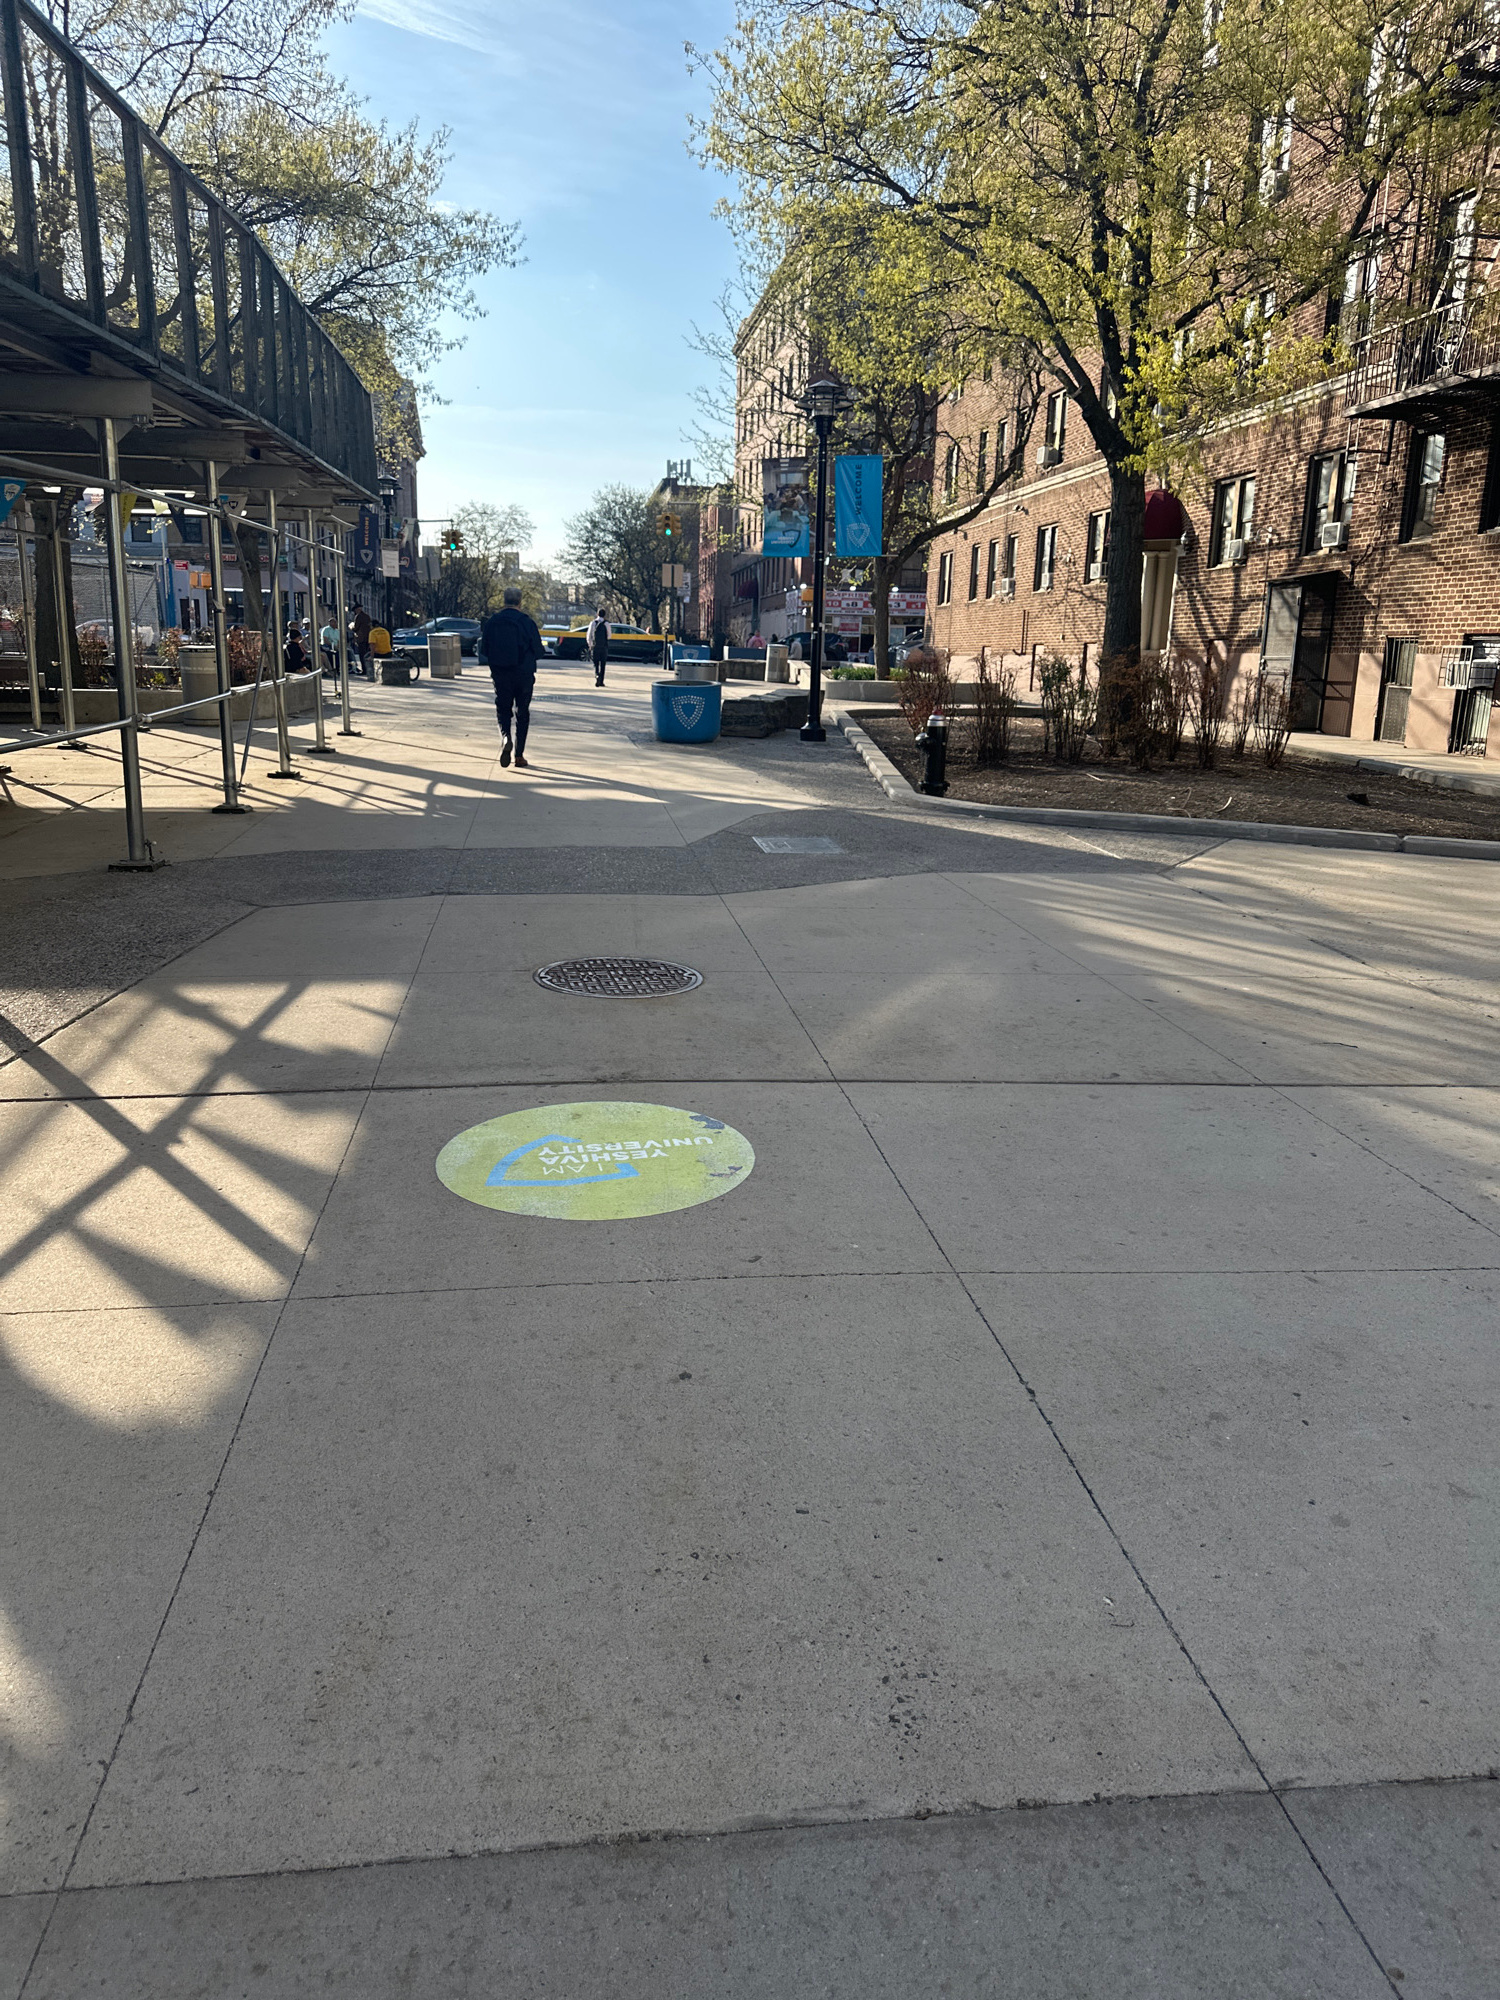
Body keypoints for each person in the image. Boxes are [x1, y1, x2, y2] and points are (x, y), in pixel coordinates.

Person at [480, 586, 543, 768]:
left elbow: (484, 650)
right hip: (523, 675)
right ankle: (519, 756)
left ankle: (506, 737)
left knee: (503, 709)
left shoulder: (493, 622)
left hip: (501, 674)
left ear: (504, 601)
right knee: (522, 712)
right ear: (520, 602)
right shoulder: (527, 622)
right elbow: (539, 651)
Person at [586, 607, 610, 687]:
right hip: (604, 647)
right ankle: (601, 681)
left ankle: (597, 675)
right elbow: (609, 636)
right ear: (604, 615)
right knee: (603, 664)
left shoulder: (593, 623)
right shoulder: (606, 624)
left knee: (596, 664)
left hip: (595, 646)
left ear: (597, 614)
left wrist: (590, 645)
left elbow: (589, 635)